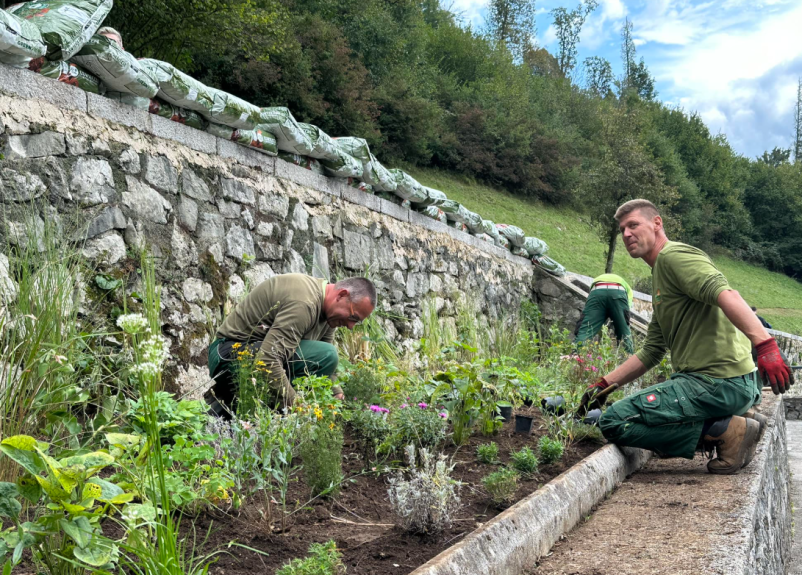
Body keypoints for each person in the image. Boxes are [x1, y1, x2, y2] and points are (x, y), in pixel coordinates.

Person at [580, 199, 793, 475]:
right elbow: (652, 351)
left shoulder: (674, 257)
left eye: (633, 225)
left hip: (715, 383)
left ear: (657, 223)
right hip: (729, 386)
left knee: (614, 421)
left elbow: (726, 294)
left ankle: (725, 431)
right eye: (622, 230)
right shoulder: (661, 274)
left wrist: (766, 345)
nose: (627, 234)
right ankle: (735, 420)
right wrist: (604, 384)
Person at [205, 273, 376, 417]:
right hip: (227, 354)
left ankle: (226, 404)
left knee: (325, 356)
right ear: (342, 295)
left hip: (253, 354)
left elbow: (322, 364)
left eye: (357, 323)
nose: (351, 326)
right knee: (327, 354)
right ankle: (229, 402)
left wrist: (335, 393)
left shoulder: (329, 316)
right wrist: (296, 405)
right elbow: (268, 358)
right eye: (353, 317)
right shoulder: (304, 304)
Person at [574, 273, 635, 353]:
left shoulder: (596, 281)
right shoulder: (628, 290)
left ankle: (575, 356)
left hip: (597, 290)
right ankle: (629, 357)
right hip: (618, 291)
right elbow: (627, 307)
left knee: (586, 329)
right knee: (624, 332)